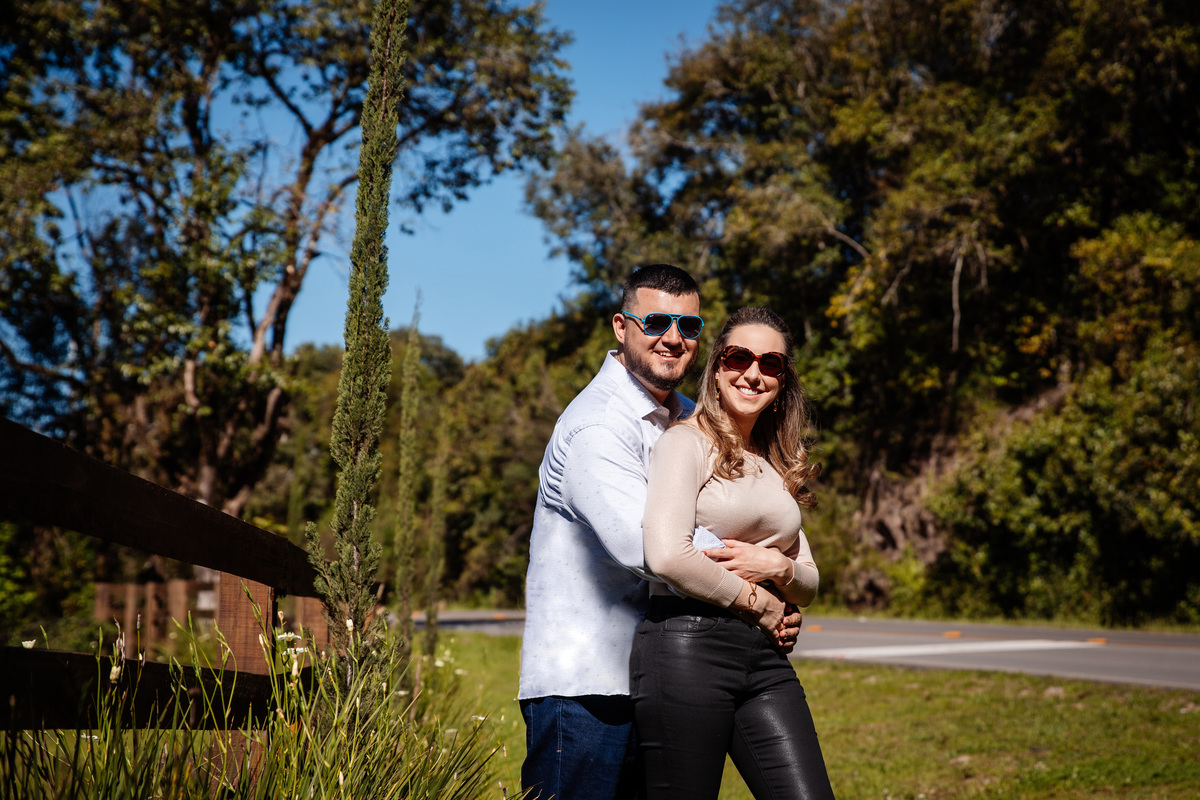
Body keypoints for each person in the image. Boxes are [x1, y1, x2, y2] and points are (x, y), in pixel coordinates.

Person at [519, 267, 800, 800]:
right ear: (622, 328)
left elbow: (742, 515)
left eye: (688, 324)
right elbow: (649, 548)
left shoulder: (692, 420)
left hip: (663, 677)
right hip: (584, 686)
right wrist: (761, 597)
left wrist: (784, 572)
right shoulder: (596, 426)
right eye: (655, 321)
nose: (673, 337)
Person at [632, 307, 836, 800]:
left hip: (765, 658)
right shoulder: (685, 443)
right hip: (687, 648)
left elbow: (808, 582)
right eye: (738, 357)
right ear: (717, 367)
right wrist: (760, 601)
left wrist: (778, 567)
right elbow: (666, 557)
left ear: (784, 381)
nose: (753, 373)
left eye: (771, 364)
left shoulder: (773, 463)